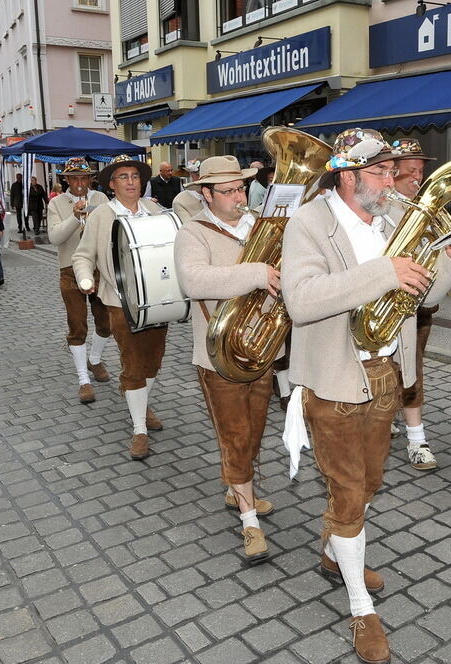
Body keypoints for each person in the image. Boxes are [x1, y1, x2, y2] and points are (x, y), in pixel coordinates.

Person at [281, 128, 451, 664]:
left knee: (367, 483)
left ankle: (334, 549)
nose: (392, 181)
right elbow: (300, 301)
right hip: (335, 378)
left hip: (388, 372)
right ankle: (359, 605)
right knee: (349, 490)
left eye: (393, 171)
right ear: (348, 177)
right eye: (380, 172)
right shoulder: (309, 222)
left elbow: (427, 294)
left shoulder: (394, 219)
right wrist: (381, 271)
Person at [173, 156, 280, 564]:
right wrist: (256, 272)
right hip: (218, 355)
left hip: (263, 347)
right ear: (206, 194)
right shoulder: (193, 232)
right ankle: (250, 521)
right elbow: (194, 280)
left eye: (241, 188)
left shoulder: (258, 226)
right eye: (229, 191)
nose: (239, 197)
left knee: (253, 433)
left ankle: (238, 484)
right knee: (235, 435)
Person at [72, 156, 166, 460]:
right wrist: (86, 279)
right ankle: (139, 428)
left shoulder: (156, 211)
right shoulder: (102, 215)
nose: (130, 182)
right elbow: (82, 256)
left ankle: (140, 400)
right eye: (123, 177)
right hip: (119, 302)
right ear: (112, 185)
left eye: (135, 176)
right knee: (133, 363)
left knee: (153, 363)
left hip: (157, 301)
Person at [387, 137, 439, 471]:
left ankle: (416, 438)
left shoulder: (426, 204)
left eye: (421, 170)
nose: (418, 178)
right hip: (382, 302)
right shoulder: (380, 205)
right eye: (411, 171)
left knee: (412, 370)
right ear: (393, 173)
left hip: (418, 305)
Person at [47, 157, 112, 404]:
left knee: (106, 323)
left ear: (90, 179)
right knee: (77, 325)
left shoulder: (102, 199)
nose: (80, 183)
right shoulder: (57, 203)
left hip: (99, 268)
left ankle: (94, 359)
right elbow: (54, 238)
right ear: (66, 179)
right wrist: (75, 217)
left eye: (84, 178)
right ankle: (83, 379)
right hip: (69, 269)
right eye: (74, 178)